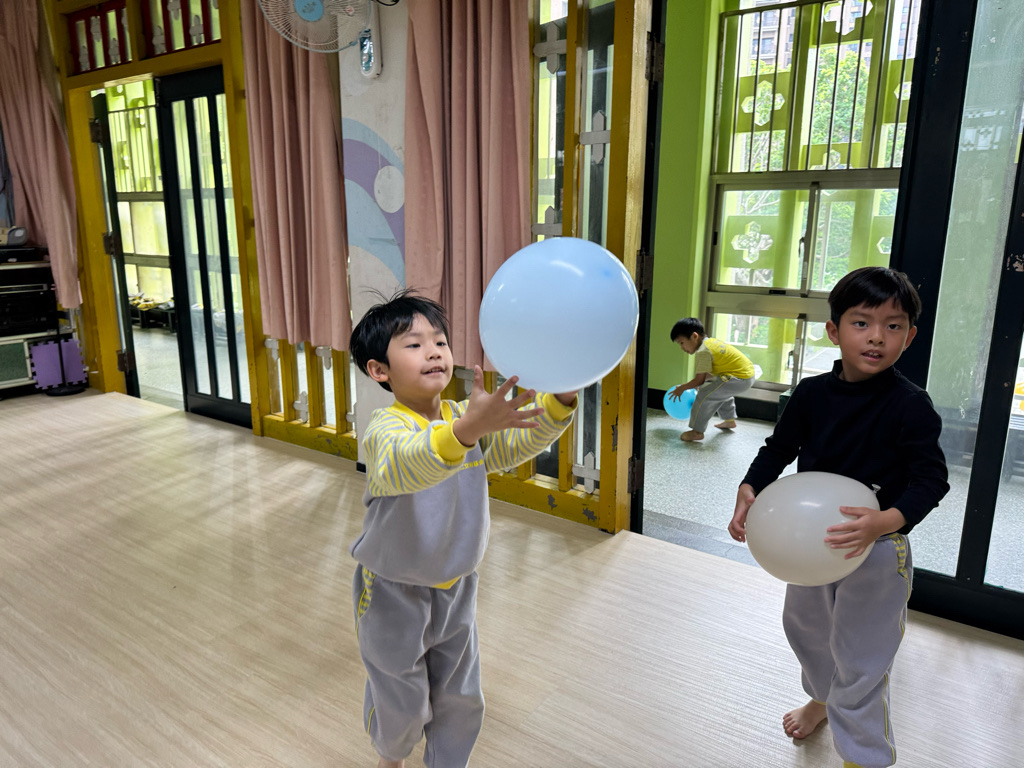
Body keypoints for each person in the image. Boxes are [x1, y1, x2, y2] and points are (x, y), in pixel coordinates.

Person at [728, 267, 949, 768]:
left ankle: (863, 757)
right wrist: (750, 487)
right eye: (861, 323)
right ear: (834, 330)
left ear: (910, 337)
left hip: (877, 549)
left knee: (863, 654)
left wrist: (885, 521)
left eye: (893, 326)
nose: (877, 337)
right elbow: (778, 448)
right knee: (805, 628)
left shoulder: (911, 405)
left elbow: (931, 480)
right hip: (809, 546)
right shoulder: (811, 394)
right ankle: (823, 698)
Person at [347, 289, 577, 768]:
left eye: (440, 341)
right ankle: (390, 756)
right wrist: (467, 431)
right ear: (379, 370)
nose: (433, 351)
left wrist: (561, 399)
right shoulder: (386, 428)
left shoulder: (460, 417)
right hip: (392, 591)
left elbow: (512, 446)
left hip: (456, 588)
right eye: (413, 344)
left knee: (461, 698)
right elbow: (407, 465)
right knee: (401, 697)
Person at [667, 317, 756, 442]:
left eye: (682, 343)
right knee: (718, 390)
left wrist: (682, 388)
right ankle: (729, 420)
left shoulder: (703, 351)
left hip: (739, 378)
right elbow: (708, 374)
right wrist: (696, 384)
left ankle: (697, 431)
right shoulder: (711, 343)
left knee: (704, 395)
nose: (682, 348)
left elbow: (699, 380)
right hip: (746, 376)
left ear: (694, 336)